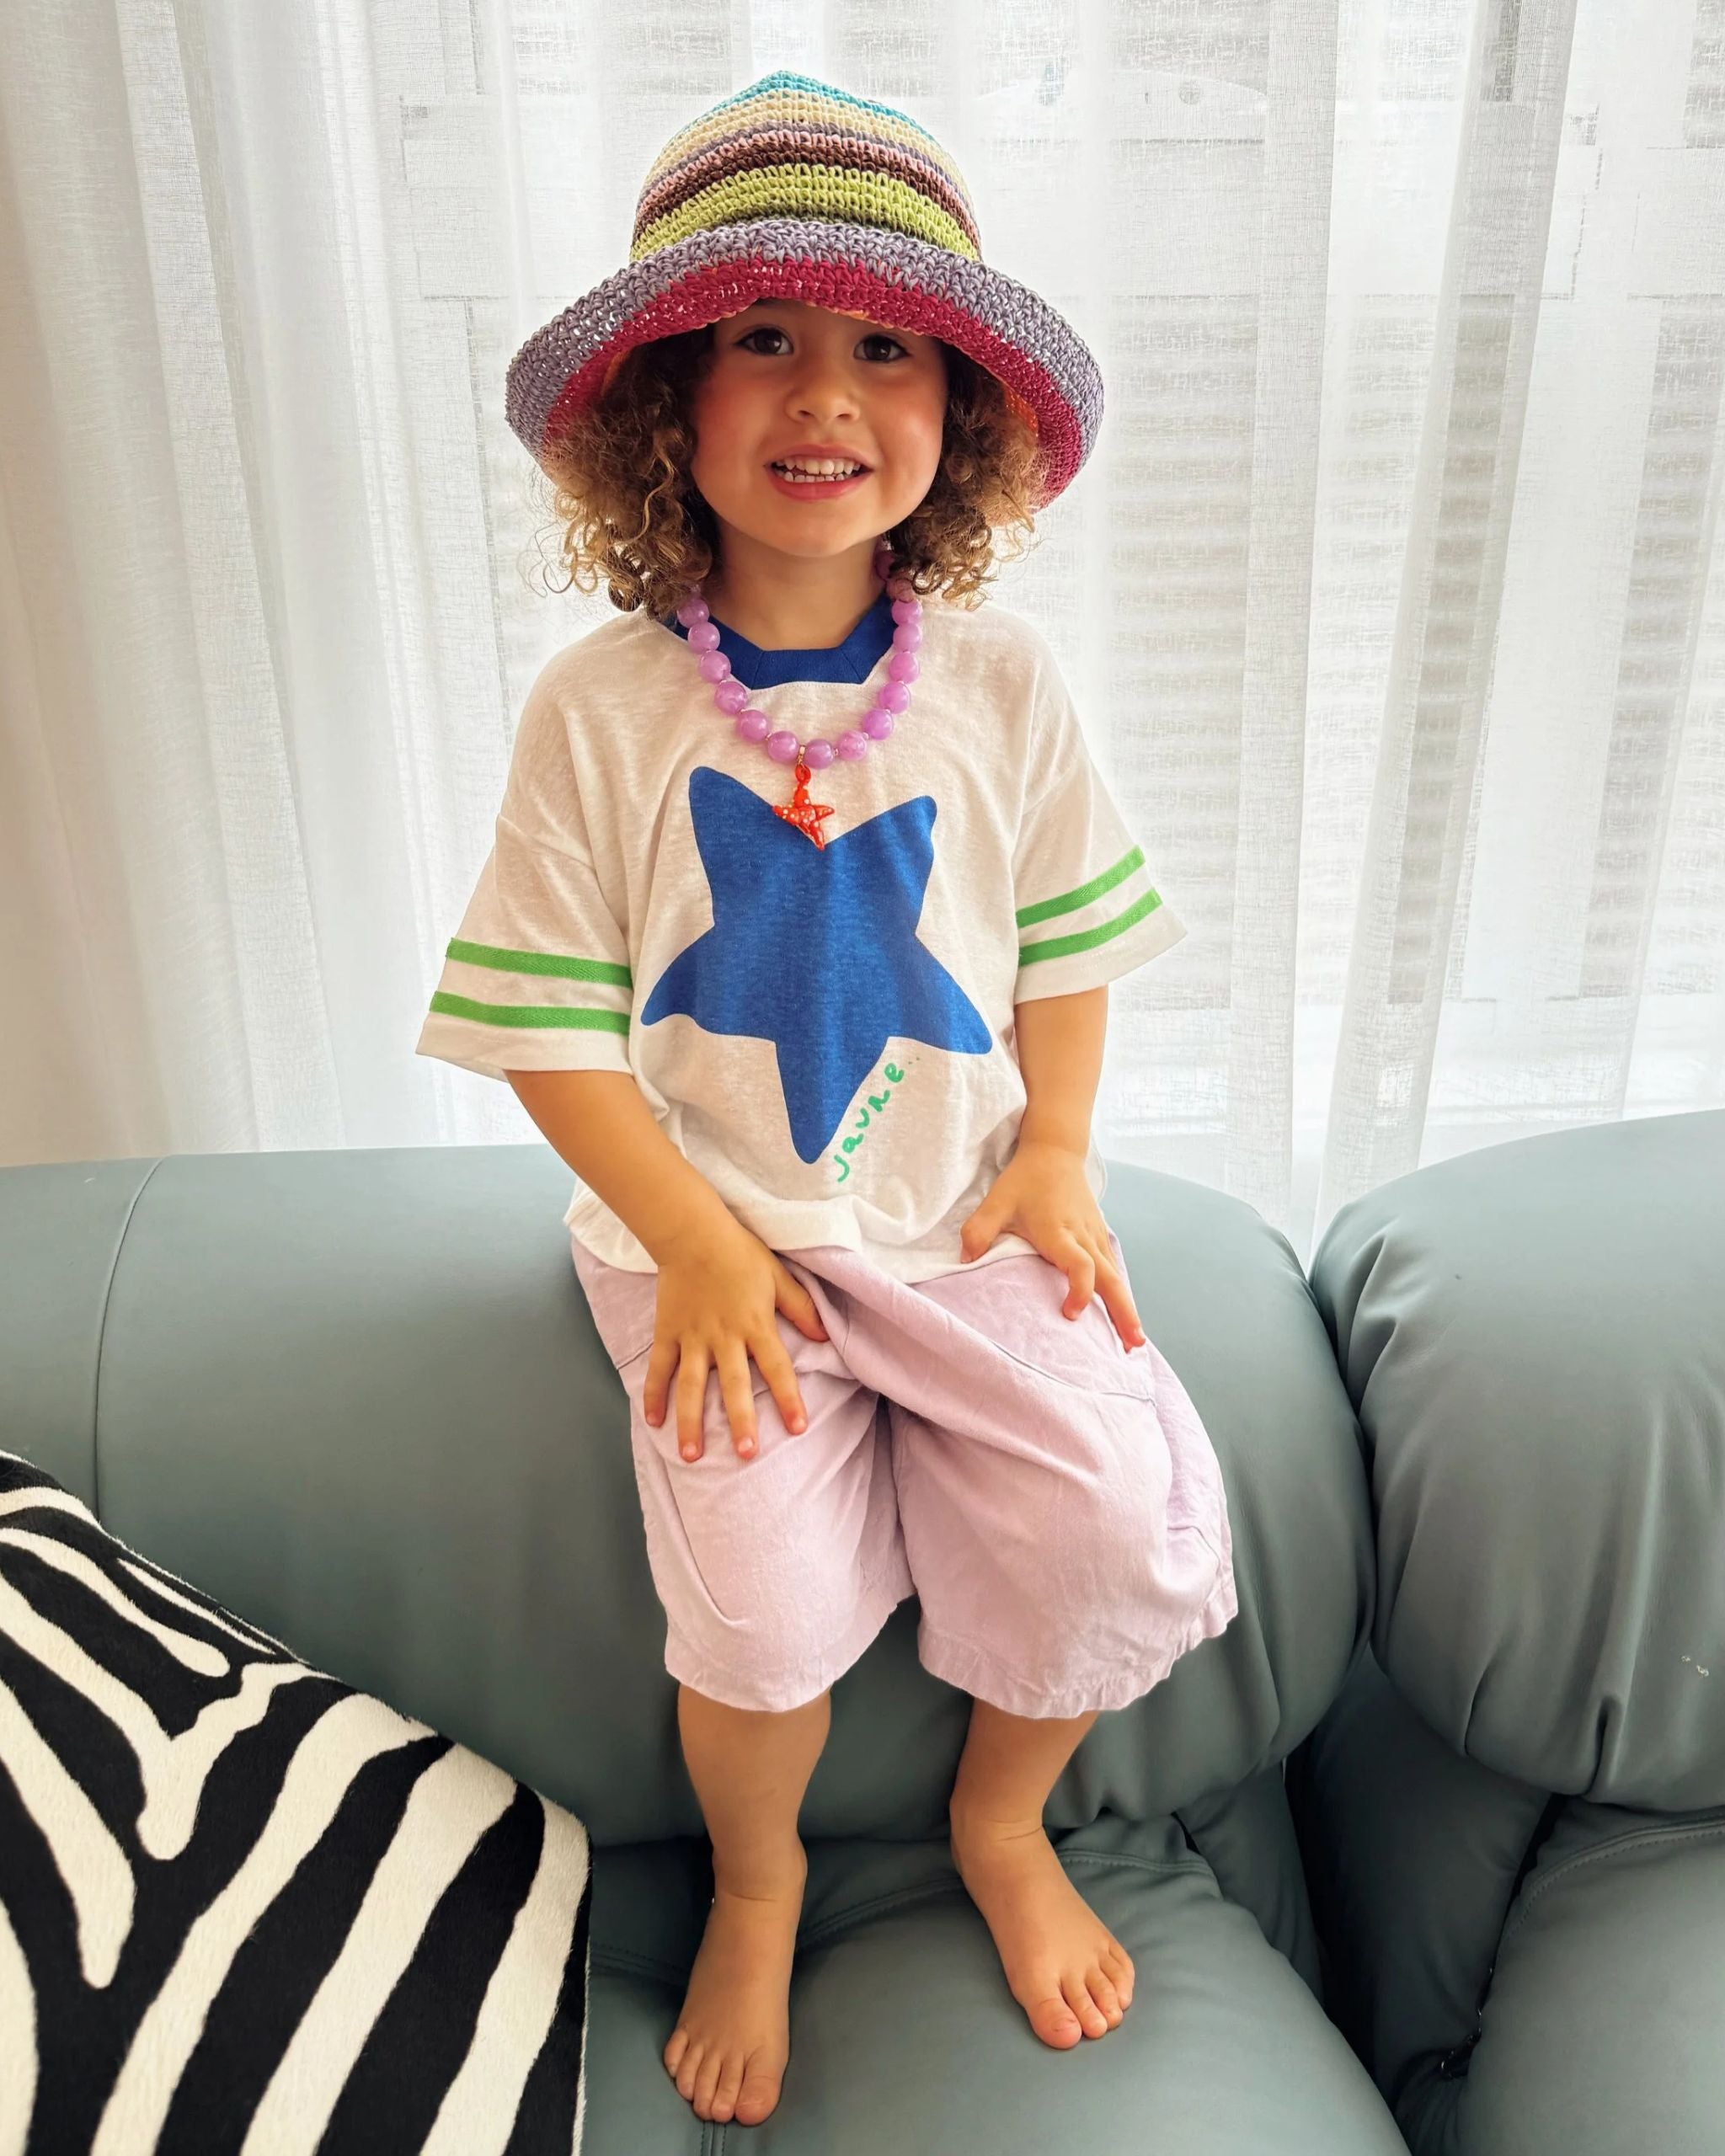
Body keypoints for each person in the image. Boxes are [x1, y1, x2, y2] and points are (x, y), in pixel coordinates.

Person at [416, 68, 1237, 2132]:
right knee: (760, 1623)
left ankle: (999, 1818)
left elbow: (1066, 942)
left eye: (887, 348)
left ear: (956, 412)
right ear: (661, 404)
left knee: (1109, 1526)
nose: (826, 391)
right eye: (763, 338)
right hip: (724, 1249)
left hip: (961, 1230)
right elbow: (544, 1025)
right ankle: (762, 1883)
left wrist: (1055, 1146)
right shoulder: (600, 712)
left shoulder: (1002, 683)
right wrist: (691, 1235)